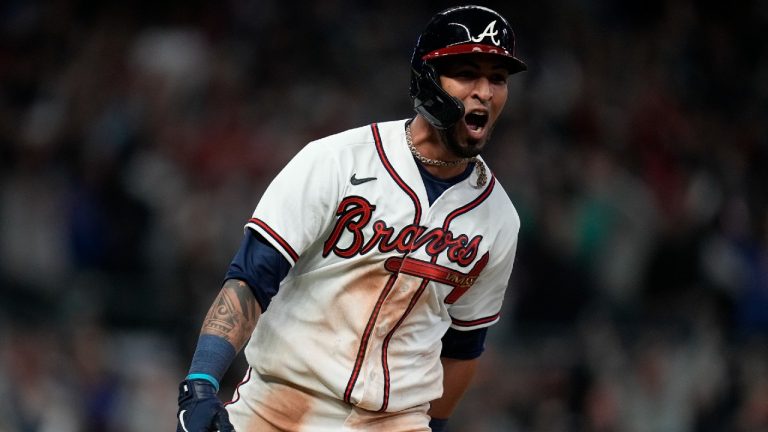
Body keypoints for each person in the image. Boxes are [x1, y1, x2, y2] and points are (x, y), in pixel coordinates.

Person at [176, 5, 527, 431]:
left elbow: (464, 346)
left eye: (498, 79)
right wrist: (200, 383)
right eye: (468, 73)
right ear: (427, 79)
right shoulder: (337, 161)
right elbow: (251, 279)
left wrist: (435, 427)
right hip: (282, 406)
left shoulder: (499, 219)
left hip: (396, 420)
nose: (485, 92)